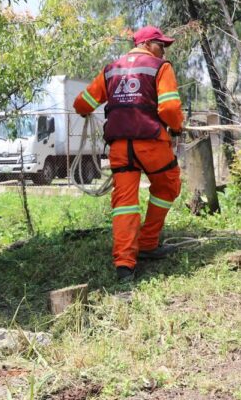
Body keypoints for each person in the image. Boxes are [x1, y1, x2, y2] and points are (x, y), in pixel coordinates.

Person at [73, 26, 185, 281]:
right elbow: (169, 108)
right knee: (168, 186)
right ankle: (147, 243)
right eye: (161, 45)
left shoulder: (111, 69)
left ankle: (125, 265)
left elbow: (82, 104)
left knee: (124, 204)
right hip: (151, 143)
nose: (164, 50)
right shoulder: (161, 67)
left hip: (121, 147)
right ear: (147, 43)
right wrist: (177, 127)